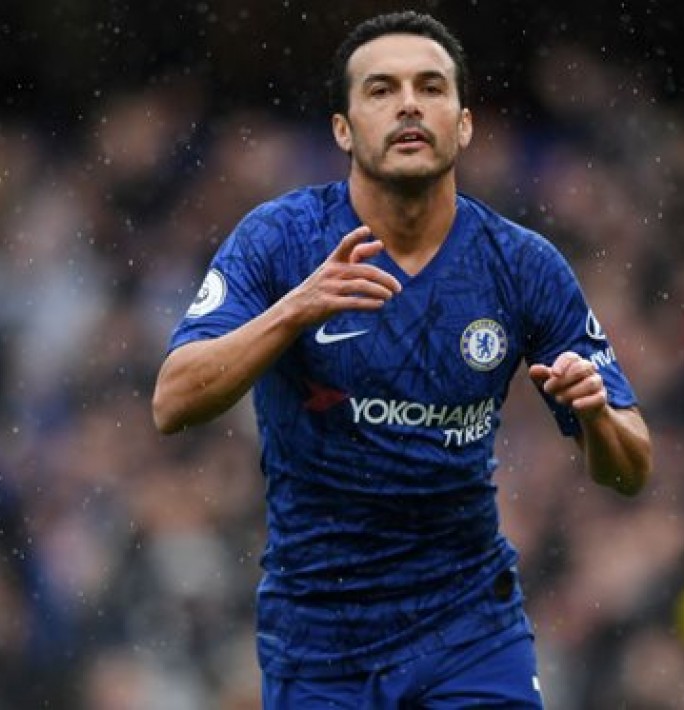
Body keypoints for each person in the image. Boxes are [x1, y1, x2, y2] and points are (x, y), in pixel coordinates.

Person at [151, 10, 652, 708]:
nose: (409, 104)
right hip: (320, 637)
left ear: (464, 124)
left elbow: (630, 470)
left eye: (431, 87)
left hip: (470, 630)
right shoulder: (282, 239)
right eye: (382, 89)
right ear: (343, 129)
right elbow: (172, 401)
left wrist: (595, 414)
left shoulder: (522, 265)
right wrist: (294, 310)